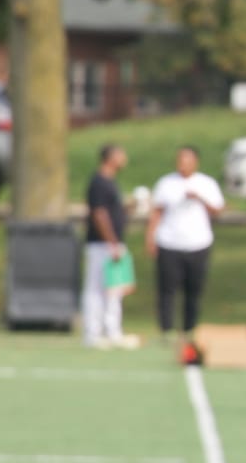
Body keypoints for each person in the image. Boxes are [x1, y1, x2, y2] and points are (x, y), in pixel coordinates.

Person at [146, 146, 226, 338]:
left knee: (194, 290)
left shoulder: (206, 184)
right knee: (167, 290)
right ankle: (166, 330)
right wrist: (150, 238)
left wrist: (199, 198)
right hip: (169, 243)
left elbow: (217, 211)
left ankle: (190, 329)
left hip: (198, 243)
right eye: (180, 160)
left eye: (187, 160)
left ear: (195, 162)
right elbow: (157, 212)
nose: (183, 164)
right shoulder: (166, 183)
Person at [80, 144, 134, 349]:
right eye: (120, 154)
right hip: (101, 245)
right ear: (110, 158)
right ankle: (92, 333)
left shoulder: (111, 182)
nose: (124, 158)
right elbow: (99, 214)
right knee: (95, 289)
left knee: (113, 289)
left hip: (112, 244)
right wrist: (112, 242)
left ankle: (112, 331)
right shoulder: (99, 182)